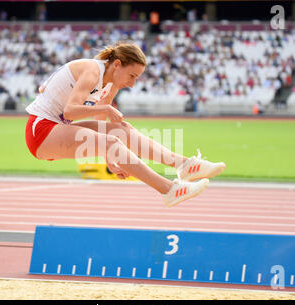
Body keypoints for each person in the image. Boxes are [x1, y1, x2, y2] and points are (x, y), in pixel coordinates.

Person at [25, 42, 226, 207]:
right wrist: (105, 110)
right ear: (117, 65)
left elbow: (101, 125)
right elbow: (70, 110)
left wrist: (108, 158)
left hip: (58, 127)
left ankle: (184, 165)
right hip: (41, 130)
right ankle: (169, 190)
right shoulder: (92, 71)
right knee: (113, 143)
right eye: (132, 76)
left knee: (122, 130)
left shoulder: (111, 83)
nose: (132, 84)